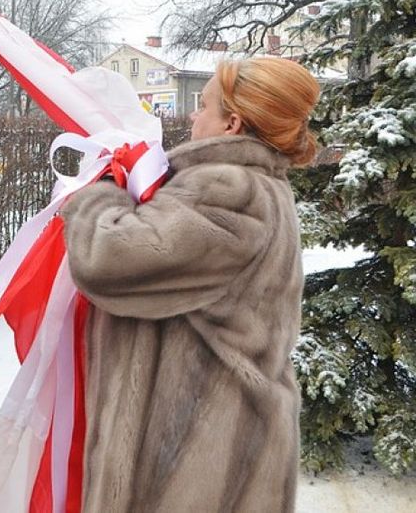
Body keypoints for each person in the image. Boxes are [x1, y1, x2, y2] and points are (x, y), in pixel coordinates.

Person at [62, 56, 319, 512]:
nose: (193, 117)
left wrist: (97, 195)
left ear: (231, 124)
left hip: (195, 464)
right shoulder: (259, 188)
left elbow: (103, 258)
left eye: (203, 107)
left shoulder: (231, 192)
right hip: (214, 447)